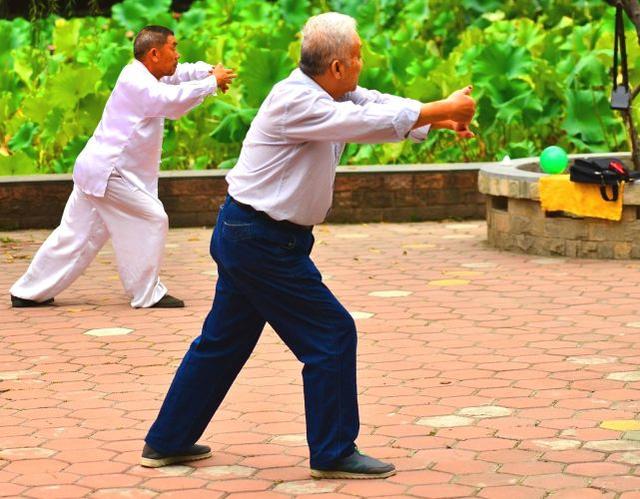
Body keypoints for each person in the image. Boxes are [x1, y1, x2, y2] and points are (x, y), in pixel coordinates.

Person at [142, 12, 476, 477]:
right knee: (331, 334)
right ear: (337, 66)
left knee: (223, 341)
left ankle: (168, 440)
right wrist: (441, 109)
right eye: (357, 56)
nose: (362, 65)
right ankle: (334, 451)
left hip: (256, 236)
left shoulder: (329, 90)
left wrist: (438, 118)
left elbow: (374, 105)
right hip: (259, 240)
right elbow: (359, 123)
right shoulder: (296, 102)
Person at [10, 25, 237, 309]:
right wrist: (211, 83)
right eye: (173, 48)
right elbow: (170, 102)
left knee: (74, 236)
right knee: (153, 218)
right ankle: (146, 293)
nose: (178, 55)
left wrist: (208, 73)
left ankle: (29, 291)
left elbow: (181, 73)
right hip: (109, 173)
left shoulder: (149, 73)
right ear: (154, 53)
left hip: (97, 170)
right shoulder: (138, 82)